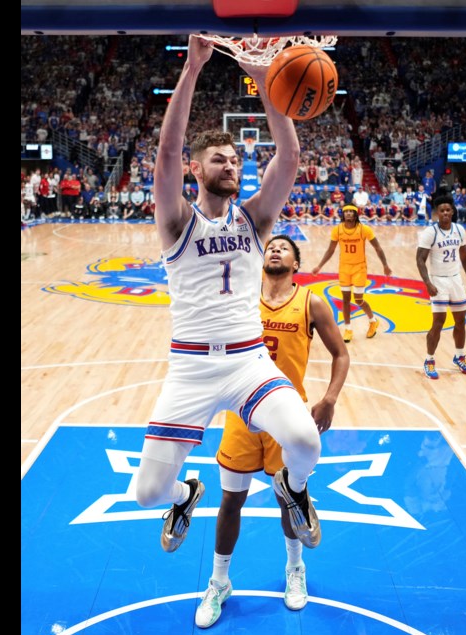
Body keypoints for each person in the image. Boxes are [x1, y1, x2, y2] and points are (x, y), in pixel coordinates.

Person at [134, 35, 322, 559]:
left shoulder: (255, 218)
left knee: (305, 442)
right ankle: (186, 493)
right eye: (219, 160)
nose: (231, 166)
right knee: (147, 493)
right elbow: (167, 151)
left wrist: (262, 75)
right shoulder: (176, 222)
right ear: (196, 169)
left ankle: (296, 488)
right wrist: (193, 68)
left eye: (236, 159)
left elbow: (290, 153)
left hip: (247, 363)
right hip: (191, 369)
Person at [195, 235, 350, 628]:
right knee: (231, 501)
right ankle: (218, 582)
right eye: (270, 247)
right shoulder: (242, 297)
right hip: (242, 412)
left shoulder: (311, 302)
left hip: (286, 413)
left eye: (284, 248)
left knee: (290, 499)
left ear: (296, 263)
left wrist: (329, 398)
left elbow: (341, 354)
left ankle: (295, 570)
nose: (275, 250)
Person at [310, 204, 393, 342]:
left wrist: (385, 265)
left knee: (358, 299)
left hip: (359, 267)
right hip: (344, 268)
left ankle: (373, 321)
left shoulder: (364, 229)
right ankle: (348, 329)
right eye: (346, 211)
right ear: (343, 214)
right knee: (346, 299)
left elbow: (378, 248)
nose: (348, 213)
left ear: (356, 214)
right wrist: (319, 266)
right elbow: (330, 250)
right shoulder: (337, 230)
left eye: (351, 211)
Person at [415, 195, 466, 379]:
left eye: (448, 210)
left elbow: (464, 256)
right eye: (441, 210)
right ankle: (429, 360)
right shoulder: (430, 233)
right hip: (438, 281)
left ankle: (459, 356)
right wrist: (428, 283)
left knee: (460, 321)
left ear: (452, 212)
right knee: (438, 322)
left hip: (455, 279)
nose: (445, 213)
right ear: (436, 213)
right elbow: (420, 260)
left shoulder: (459, 230)